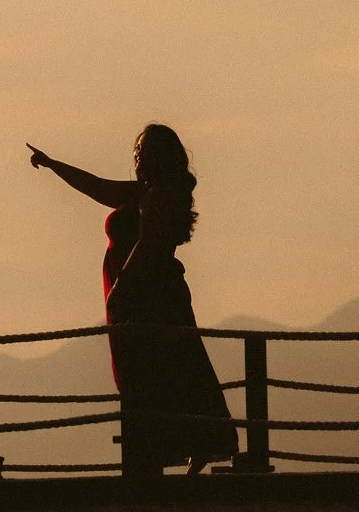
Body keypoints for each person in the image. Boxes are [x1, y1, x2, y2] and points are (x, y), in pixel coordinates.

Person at [28, 125, 238, 474]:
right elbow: (99, 187)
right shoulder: (148, 192)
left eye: (142, 151)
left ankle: (163, 453)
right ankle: (173, 449)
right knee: (168, 370)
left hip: (147, 298)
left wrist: (121, 287)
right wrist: (53, 164)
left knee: (157, 370)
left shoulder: (158, 197)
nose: (136, 156)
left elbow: (148, 243)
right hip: (145, 295)